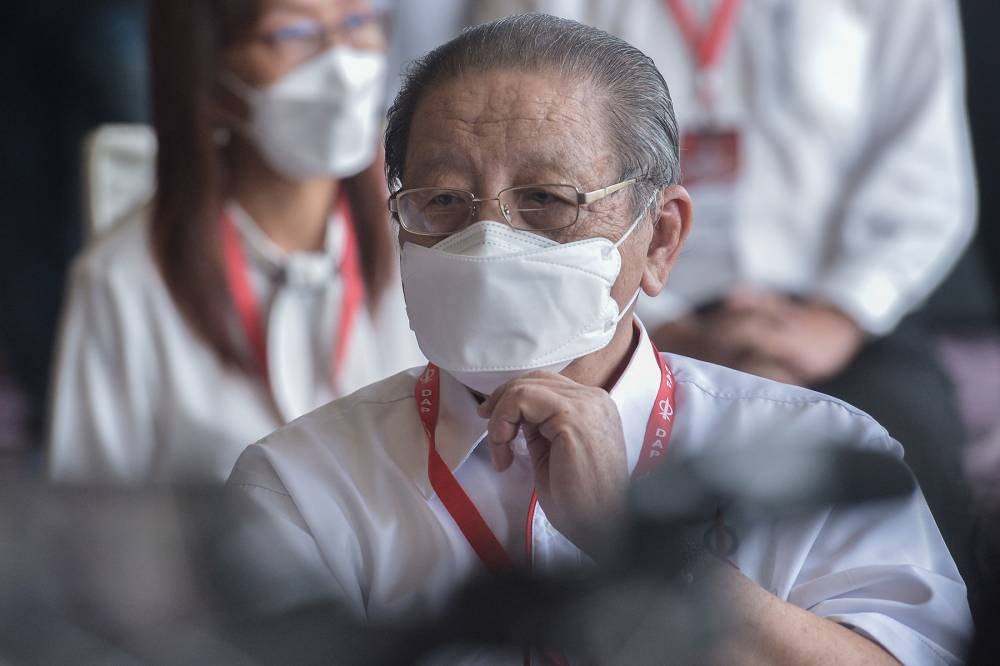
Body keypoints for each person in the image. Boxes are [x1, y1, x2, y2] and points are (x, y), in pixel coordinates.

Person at [228, 15, 971, 664]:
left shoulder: (821, 455)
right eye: (444, 201)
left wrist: (633, 540)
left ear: (660, 240)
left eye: (547, 200)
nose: (491, 241)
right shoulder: (301, 485)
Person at [46, 0, 423, 484]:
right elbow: (94, 526)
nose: (341, 63)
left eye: (357, 22)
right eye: (294, 34)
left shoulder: (423, 241)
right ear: (211, 70)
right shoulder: (121, 282)